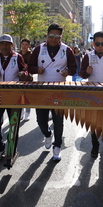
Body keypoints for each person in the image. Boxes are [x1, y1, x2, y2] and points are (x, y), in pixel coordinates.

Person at [28, 23, 77, 161]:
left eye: (57, 36)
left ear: (60, 36)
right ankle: (47, 134)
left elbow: (74, 68)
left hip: (59, 90)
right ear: (47, 35)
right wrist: (37, 70)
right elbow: (29, 67)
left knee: (58, 120)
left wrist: (67, 71)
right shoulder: (38, 49)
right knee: (41, 120)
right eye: (51, 36)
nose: (54, 38)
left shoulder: (67, 50)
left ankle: (57, 146)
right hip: (42, 90)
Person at [0, 34, 27, 161]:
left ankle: (12, 147)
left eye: (7, 44)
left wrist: (22, 74)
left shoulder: (17, 57)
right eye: (2, 44)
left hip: (13, 96)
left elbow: (25, 71)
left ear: (12, 45)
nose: (4, 46)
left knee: (14, 123)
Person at [80, 31, 103, 158]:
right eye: (97, 44)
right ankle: (94, 145)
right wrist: (87, 72)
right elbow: (82, 74)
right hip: (93, 93)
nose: (100, 46)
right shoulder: (88, 56)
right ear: (93, 43)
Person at [19, 38, 33, 121]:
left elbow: (32, 66)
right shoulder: (17, 54)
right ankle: (21, 111)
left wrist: (27, 66)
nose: (24, 46)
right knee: (19, 95)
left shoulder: (31, 55)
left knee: (27, 96)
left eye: (26, 45)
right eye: (23, 44)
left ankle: (27, 113)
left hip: (28, 78)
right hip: (19, 78)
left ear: (29, 46)